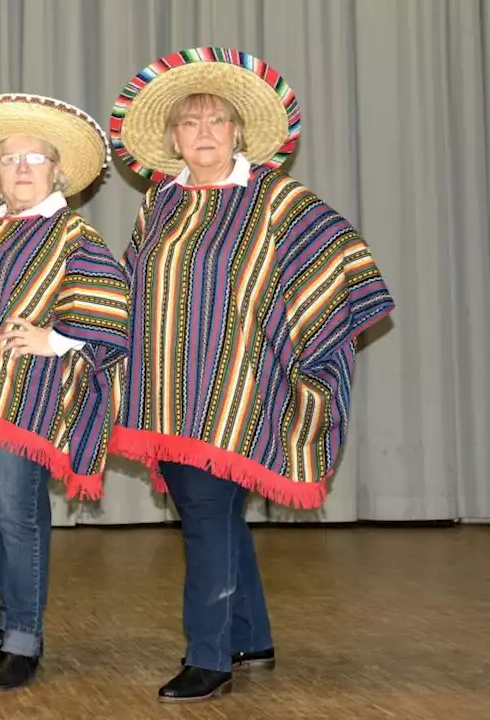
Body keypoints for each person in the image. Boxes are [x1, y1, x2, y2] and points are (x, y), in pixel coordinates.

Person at [107, 47, 395, 702]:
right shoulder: (159, 205)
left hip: (241, 391)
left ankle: (207, 657)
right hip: (167, 398)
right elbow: (133, 287)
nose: (203, 135)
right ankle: (251, 635)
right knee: (209, 514)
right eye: (189, 124)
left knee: (207, 515)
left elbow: (339, 261)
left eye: (215, 122)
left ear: (238, 131)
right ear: (173, 137)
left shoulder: (277, 200)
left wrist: (300, 338)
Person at [0, 93, 130, 692]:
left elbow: (112, 303)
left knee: (18, 518)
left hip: (29, 400)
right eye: (9, 159)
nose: (21, 168)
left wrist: (61, 339)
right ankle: (7, 621)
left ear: (56, 170)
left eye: (34, 158)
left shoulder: (71, 231)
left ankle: (25, 638)